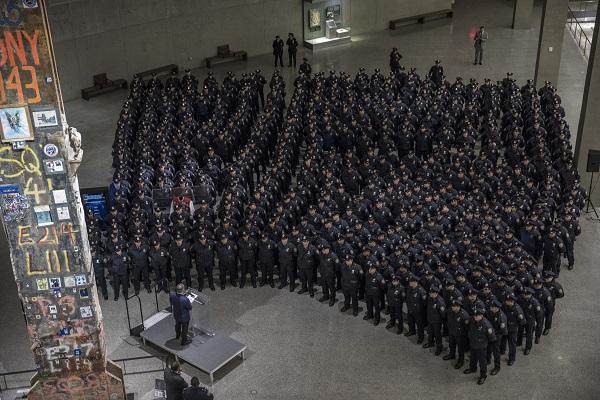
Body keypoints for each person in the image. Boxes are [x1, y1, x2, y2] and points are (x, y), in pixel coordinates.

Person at [463, 307, 495, 385]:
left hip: (481, 346)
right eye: (474, 315)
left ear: (481, 315)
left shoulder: (486, 324)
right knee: (472, 358)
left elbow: (492, 337)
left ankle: (483, 375)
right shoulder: (472, 320)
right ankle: (472, 368)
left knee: (482, 362)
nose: (475, 317)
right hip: (473, 343)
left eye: (477, 316)